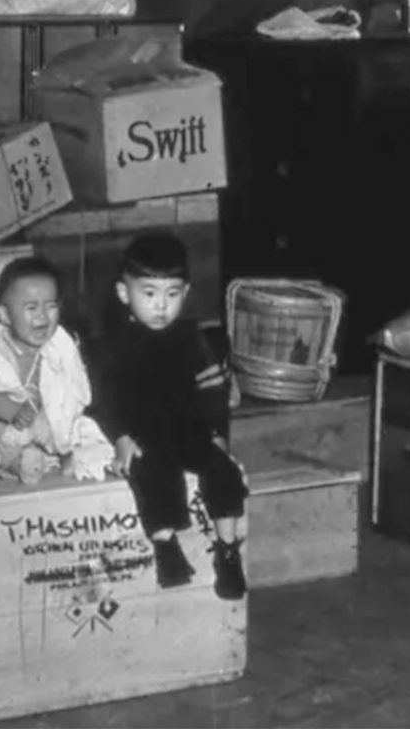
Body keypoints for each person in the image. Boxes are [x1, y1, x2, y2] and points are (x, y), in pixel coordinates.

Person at [86, 232, 248, 600]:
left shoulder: (191, 337)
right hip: (143, 434)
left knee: (222, 471)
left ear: (185, 293)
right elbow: (105, 399)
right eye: (149, 293)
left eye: (172, 294)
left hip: (188, 431)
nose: (161, 305)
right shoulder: (113, 344)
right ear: (124, 292)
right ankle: (166, 547)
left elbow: (212, 391)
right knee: (151, 475)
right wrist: (121, 437)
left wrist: (218, 435)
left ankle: (227, 550)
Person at [0, 255, 113, 486]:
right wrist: (0, 405)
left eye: (51, 306)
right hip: (7, 429)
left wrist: (54, 415)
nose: (42, 316)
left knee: (85, 430)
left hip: (46, 425)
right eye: (31, 308)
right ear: (4, 315)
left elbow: (74, 390)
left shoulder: (61, 348)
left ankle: (61, 454)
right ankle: (20, 463)